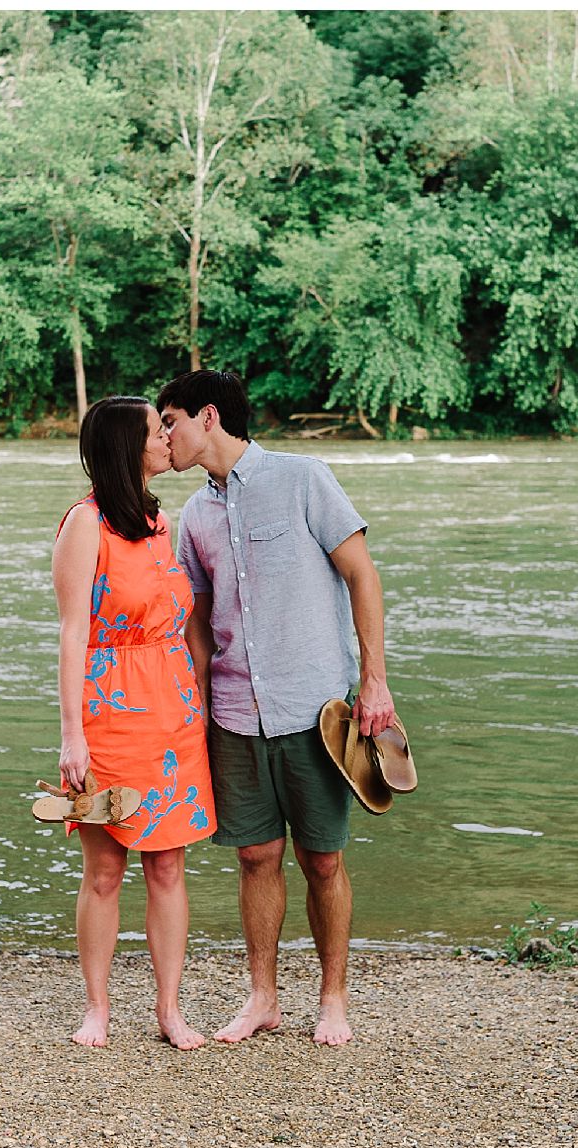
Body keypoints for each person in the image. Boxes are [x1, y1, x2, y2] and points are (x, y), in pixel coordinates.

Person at [158, 370, 396, 1047]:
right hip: (234, 713)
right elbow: (197, 623)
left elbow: (362, 573)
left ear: (208, 416)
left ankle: (333, 999)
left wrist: (375, 681)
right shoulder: (195, 517)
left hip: (316, 708)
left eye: (170, 420)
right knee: (256, 856)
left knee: (323, 858)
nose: (164, 436)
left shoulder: (304, 478)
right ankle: (262, 997)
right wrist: (194, 710)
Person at [47, 395, 217, 1050]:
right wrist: (72, 735)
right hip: (109, 713)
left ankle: (169, 1010)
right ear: (128, 447)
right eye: (155, 430)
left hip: (171, 713)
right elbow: (71, 635)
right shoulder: (84, 524)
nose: (166, 438)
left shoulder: (158, 518)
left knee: (168, 866)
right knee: (104, 870)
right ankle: (97, 1007)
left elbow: (175, 617)